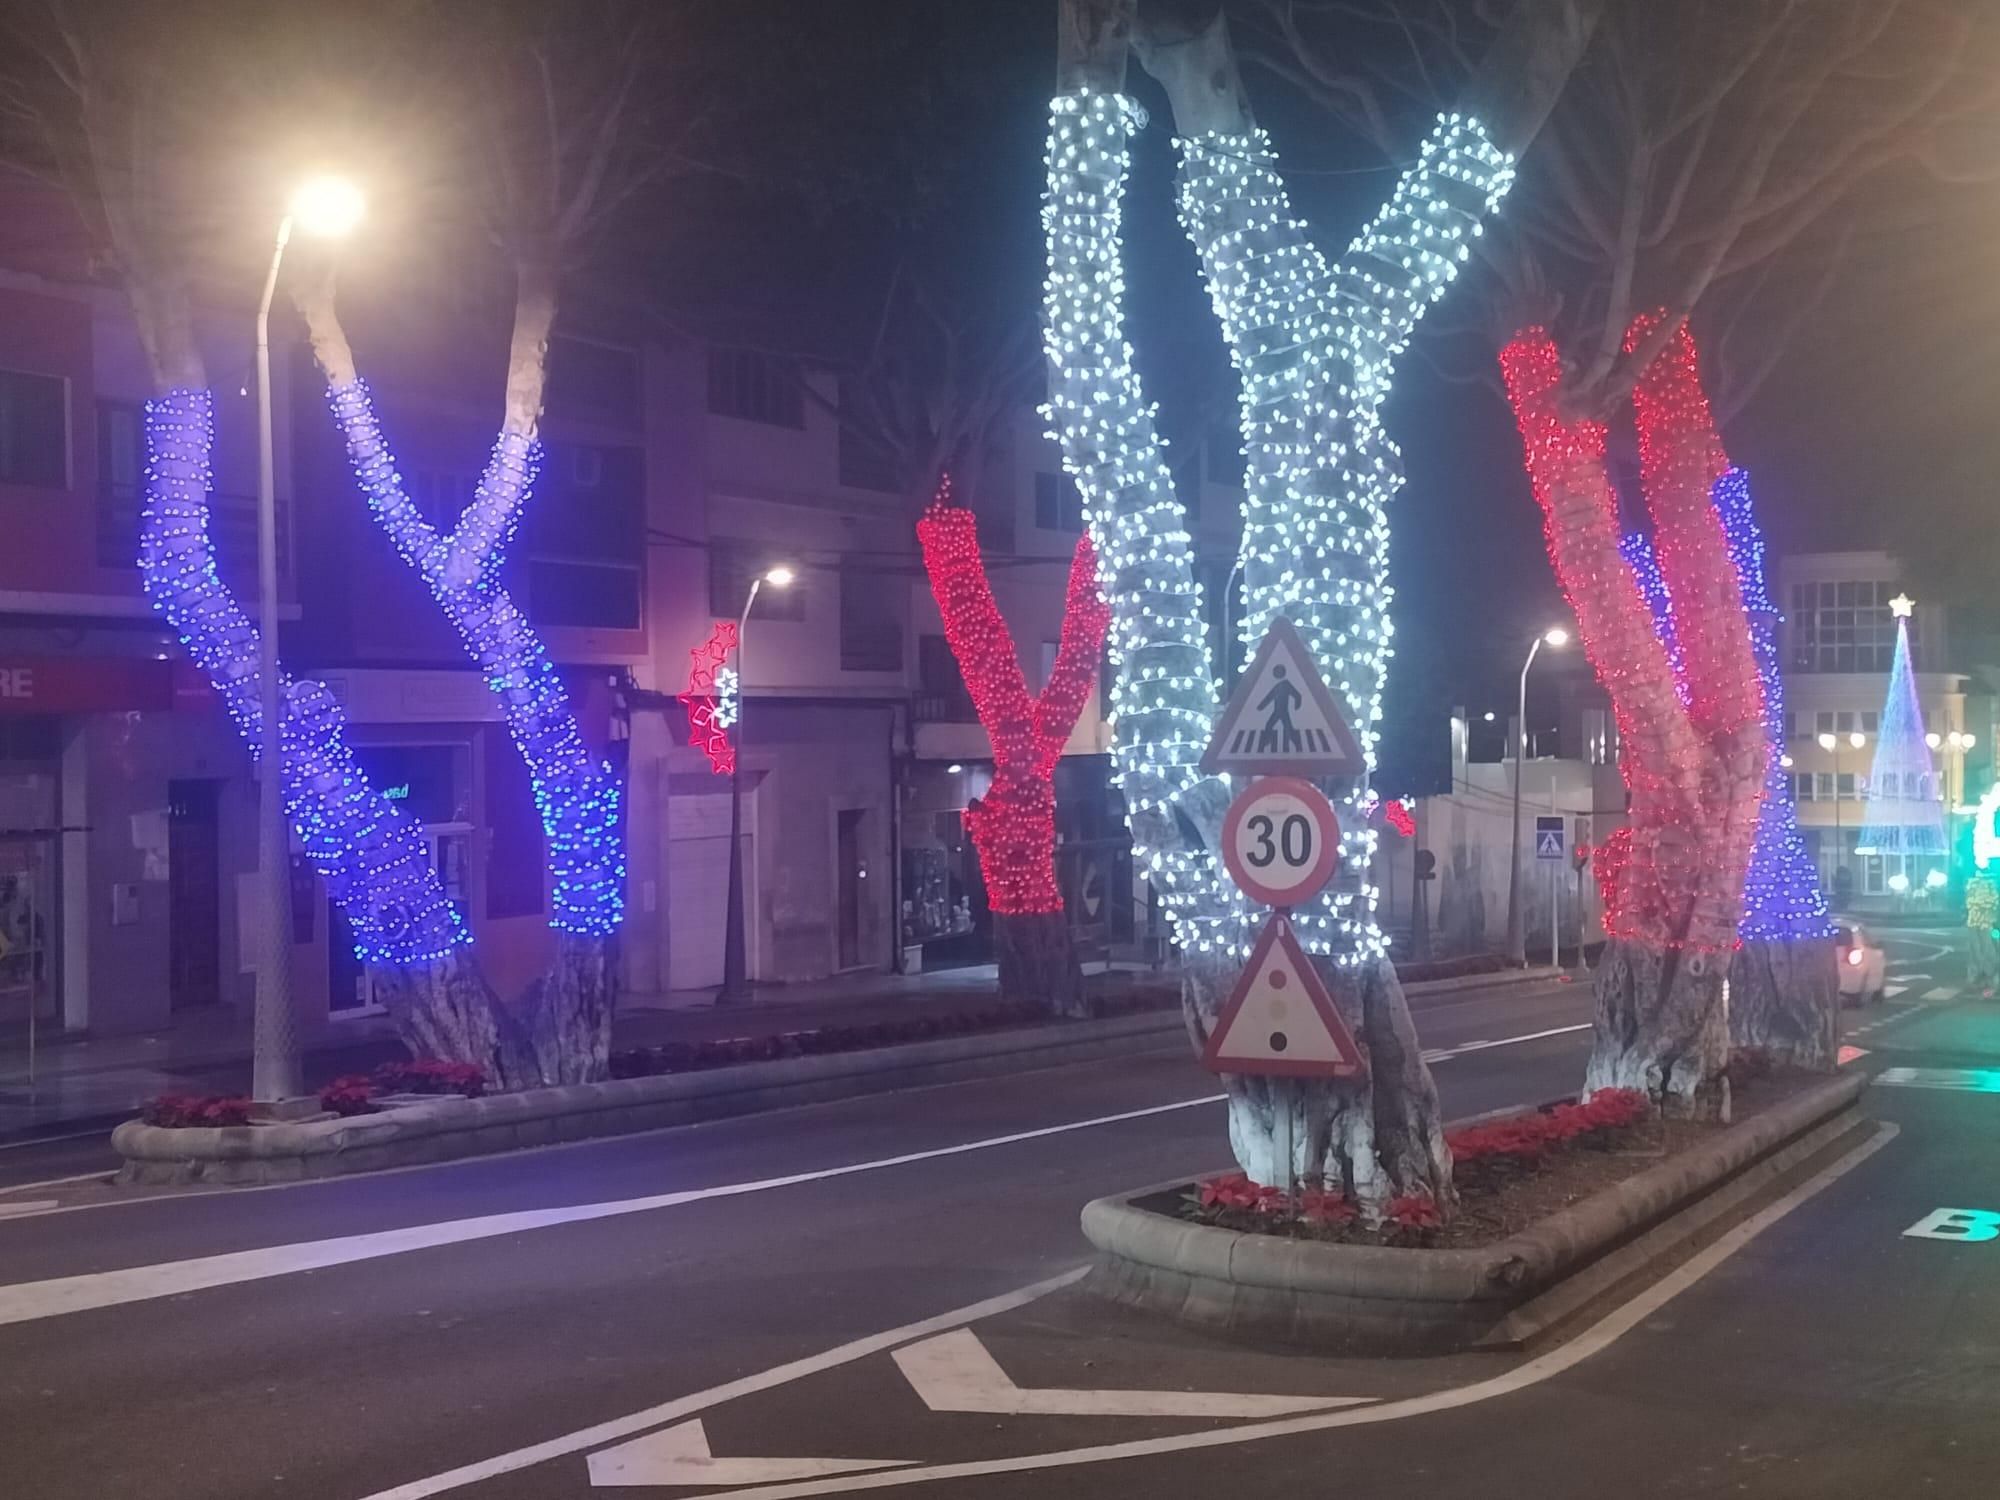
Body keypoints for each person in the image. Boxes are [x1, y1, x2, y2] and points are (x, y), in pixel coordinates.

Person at [1255, 664, 1304, 753]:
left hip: (1282, 711)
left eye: (1277, 671)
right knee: (1270, 725)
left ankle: (1298, 745)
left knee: (1286, 728)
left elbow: (1297, 695)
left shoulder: (1286, 684)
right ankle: (1267, 741)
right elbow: (1269, 697)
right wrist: (1260, 707)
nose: (1275, 673)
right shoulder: (1278, 686)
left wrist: (1297, 705)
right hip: (1277, 711)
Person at [1966, 871, 1999, 997]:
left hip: (1989, 924)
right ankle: (1985, 979)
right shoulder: (1975, 884)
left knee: (1988, 949)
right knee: (1985, 949)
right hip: (1986, 924)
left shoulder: (1978, 885)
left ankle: (1988, 980)